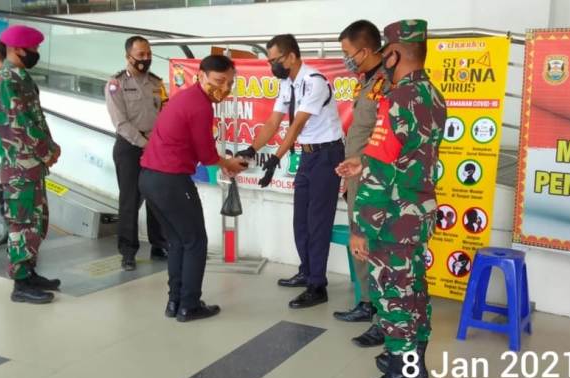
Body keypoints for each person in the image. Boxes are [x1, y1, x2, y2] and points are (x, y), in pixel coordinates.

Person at [337, 19, 445, 378]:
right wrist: (361, 162)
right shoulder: (431, 94)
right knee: (414, 286)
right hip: (418, 211)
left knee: (392, 295)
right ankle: (415, 361)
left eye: (386, 51)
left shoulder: (397, 98)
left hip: (392, 218)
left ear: (396, 52)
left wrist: (360, 226)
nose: (383, 58)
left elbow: (384, 170)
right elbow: (407, 156)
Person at [236, 34, 345, 309]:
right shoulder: (288, 84)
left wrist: (275, 158)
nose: (272, 65)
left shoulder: (315, 82)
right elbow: (273, 122)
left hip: (326, 156)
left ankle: (318, 286)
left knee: (318, 222)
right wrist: (251, 149)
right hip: (308, 158)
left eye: (275, 60)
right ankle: (307, 271)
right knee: (301, 220)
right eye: (270, 60)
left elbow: (296, 125)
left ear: (292, 56)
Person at [139, 55, 247, 323]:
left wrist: (222, 162)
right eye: (219, 81)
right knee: (196, 241)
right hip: (171, 181)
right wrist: (227, 163)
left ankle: (175, 301)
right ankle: (189, 305)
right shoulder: (200, 105)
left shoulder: (185, 98)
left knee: (177, 241)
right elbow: (207, 154)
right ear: (201, 76)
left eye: (230, 83)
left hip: (150, 178)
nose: (224, 88)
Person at [0, 25, 62, 304]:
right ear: (17, 49)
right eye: (33, 49)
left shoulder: (21, 77)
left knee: (36, 221)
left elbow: (36, 119)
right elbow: (20, 125)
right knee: (22, 222)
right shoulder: (6, 80)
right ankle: (20, 283)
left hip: (30, 164)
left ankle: (29, 272)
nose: (36, 53)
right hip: (18, 165)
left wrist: (48, 149)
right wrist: (47, 150)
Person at [333, 20, 387, 345]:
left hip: (377, 180)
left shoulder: (389, 85)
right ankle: (367, 303)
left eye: (347, 53)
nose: (346, 59)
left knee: (376, 247)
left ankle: (384, 315)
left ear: (365, 50)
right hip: (356, 176)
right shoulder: (367, 82)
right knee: (359, 243)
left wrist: (362, 163)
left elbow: (386, 138)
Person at [105, 36, 169, 272]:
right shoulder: (116, 84)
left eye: (148, 54)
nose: (145, 59)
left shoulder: (156, 83)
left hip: (155, 145)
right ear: (128, 56)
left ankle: (159, 245)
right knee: (130, 200)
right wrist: (144, 143)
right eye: (140, 55)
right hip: (130, 147)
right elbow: (120, 123)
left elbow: (164, 112)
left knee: (156, 198)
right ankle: (128, 252)